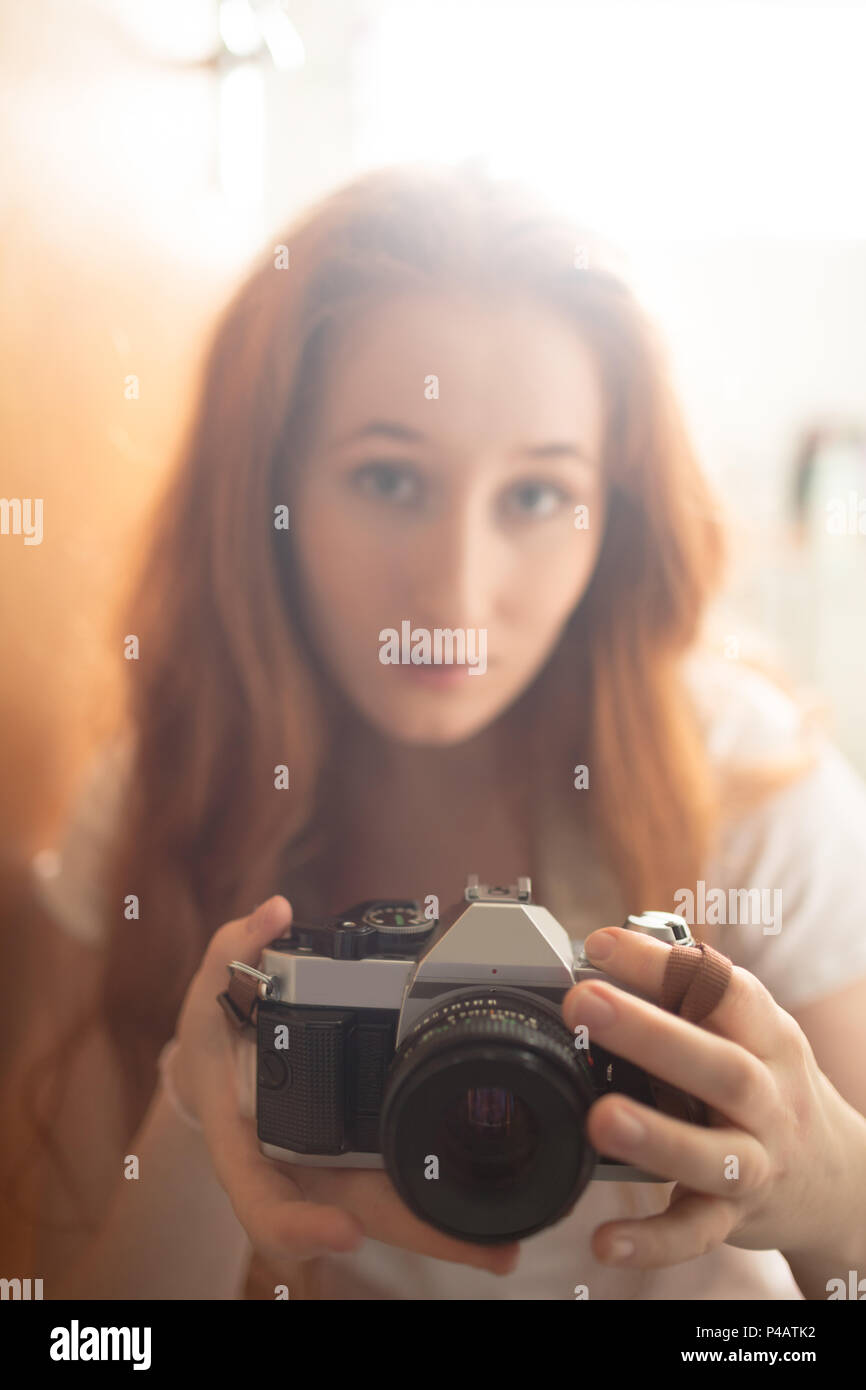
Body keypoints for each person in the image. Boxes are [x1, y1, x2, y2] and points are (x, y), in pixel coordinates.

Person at [13, 161, 866, 1301]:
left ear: (613, 519)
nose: (454, 593)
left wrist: (829, 1193)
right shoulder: (161, 791)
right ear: (265, 494)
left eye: (532, 496)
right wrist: (193, 1112)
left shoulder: (752, 795)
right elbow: (80, 1320)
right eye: (387, 478)